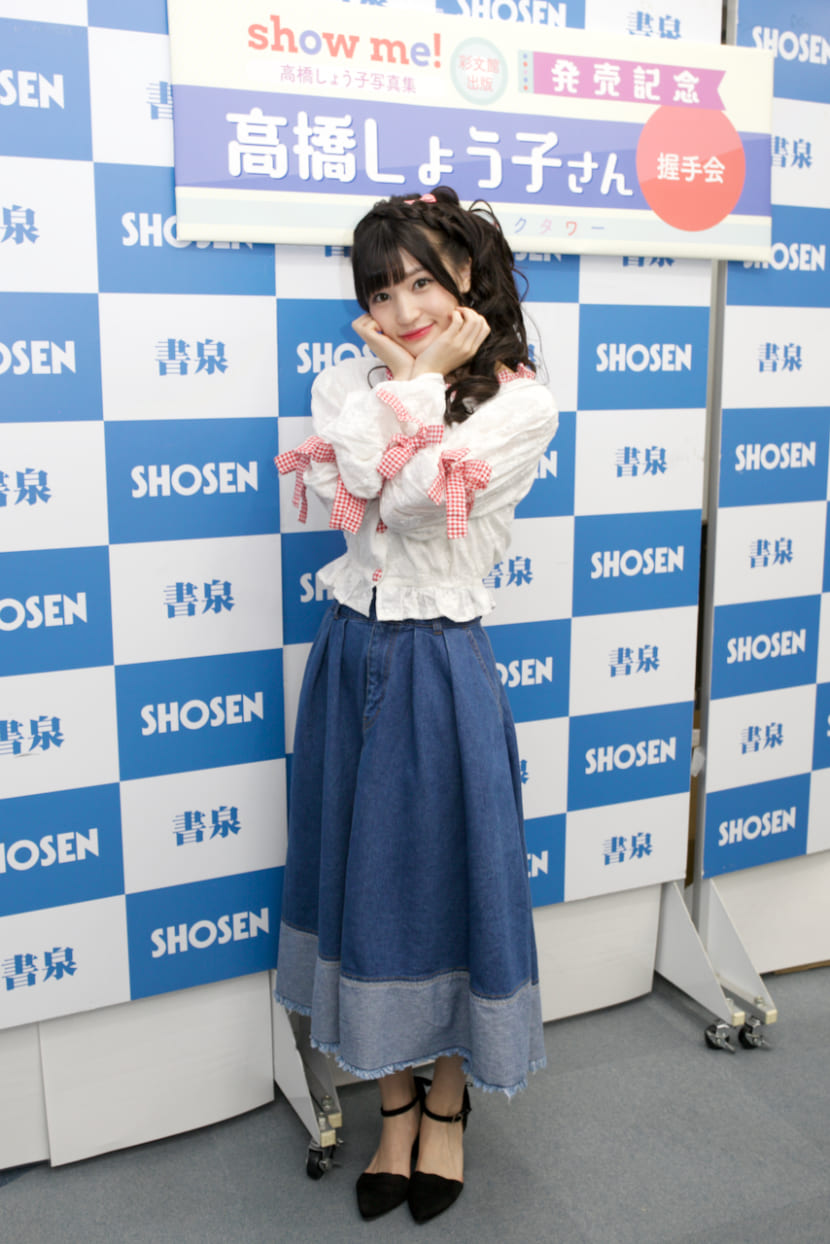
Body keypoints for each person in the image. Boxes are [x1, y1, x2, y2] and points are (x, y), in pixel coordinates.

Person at [273, 186, 558, 1224]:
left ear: (467, 279)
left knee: (445, 882)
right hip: (349, 649)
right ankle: (390, 1106)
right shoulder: (340, 383)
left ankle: (446, 1104)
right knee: (361, 877)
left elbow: (413, 507)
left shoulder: (522, 406)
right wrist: (414, 388)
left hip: (440, 658)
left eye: (422, 284)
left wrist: (417, 386)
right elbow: (358, 489)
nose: (400, 310)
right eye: (380, 291)